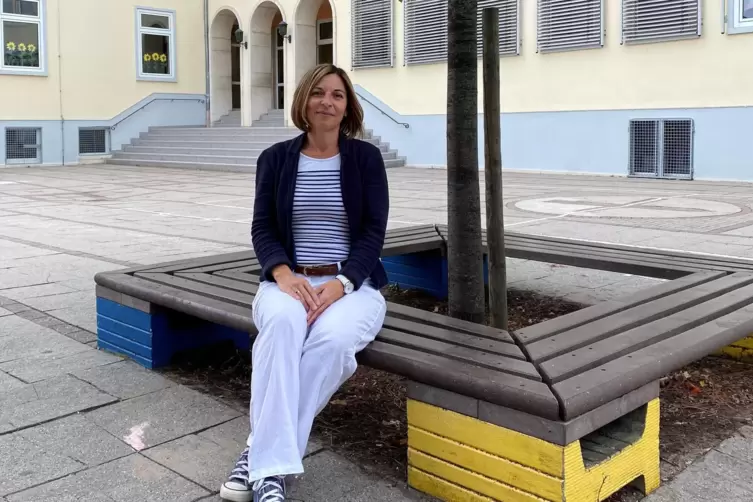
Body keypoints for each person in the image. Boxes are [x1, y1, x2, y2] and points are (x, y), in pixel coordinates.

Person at [219, 64, 390, 502]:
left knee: (331, 344)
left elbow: (374, 232)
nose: (327, 102)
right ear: (303, 101)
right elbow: (262, 229)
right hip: (287, 280)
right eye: (318, 93)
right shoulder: (276, 158)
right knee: (282, 328)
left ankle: (258, 456)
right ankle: (270, 471)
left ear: (348, 105)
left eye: (337, 94)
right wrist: (282, 274)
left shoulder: (365, 159)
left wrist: (343, 284)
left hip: (352, 286)